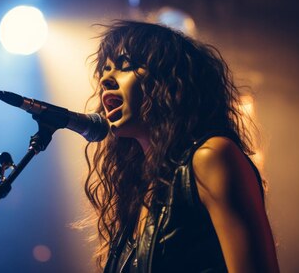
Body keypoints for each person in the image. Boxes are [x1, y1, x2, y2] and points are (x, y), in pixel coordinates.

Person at [82, 20, 279, 272]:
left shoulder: (212, 157)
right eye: (105, 70)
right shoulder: (140, 188)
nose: (106, 79)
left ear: (169, 84)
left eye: (125, 66)